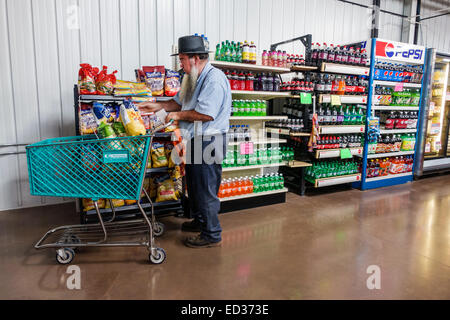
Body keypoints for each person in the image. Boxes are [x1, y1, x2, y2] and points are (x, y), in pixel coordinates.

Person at [138, 35, 231, 248]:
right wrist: (155, 106)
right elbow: (176, 103)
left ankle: (212, 234)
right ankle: (201, 221)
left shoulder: (213, 79)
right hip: (195, 139)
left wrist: (177, 117)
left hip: (209, 140)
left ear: (195, 58)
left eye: (182, 59)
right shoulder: (192, 78)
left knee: (205, 187)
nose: (180, 64)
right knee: (196, 186)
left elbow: (206, 114)